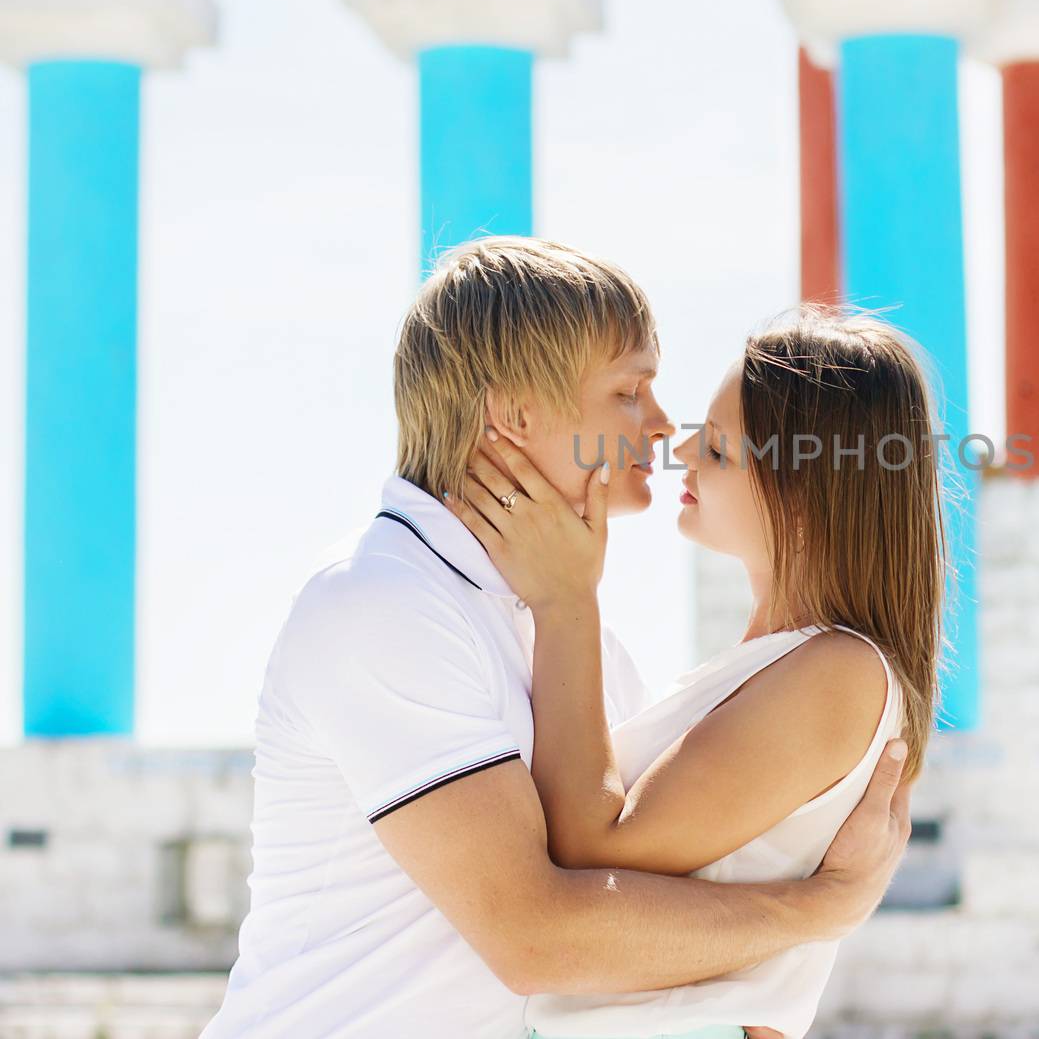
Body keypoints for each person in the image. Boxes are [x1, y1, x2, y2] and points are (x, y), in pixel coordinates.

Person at [202, 239, 913, 1039]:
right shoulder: (384, 604)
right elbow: (539, 936)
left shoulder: (579, 643)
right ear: (514, 415)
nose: (659, 426)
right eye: (628, 390)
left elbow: (637, 928)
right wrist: (822, 907)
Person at [446, 307, 946, 1039]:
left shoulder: (839, 671)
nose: (680, 448)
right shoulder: (781, 665)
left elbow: (593, 847)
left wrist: (566, 599)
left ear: (802, 490)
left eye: (715, 447)